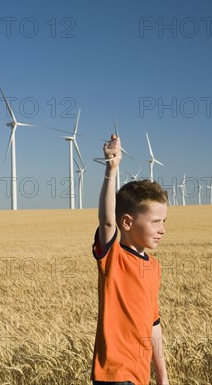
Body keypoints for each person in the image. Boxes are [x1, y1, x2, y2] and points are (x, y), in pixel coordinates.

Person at [91, 134, 169, 385]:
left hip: (139, 377)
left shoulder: (154, 268)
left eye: (164, 221)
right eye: (155, 222)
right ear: (126, 222)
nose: (162, 229)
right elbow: (106, 220)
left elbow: (153, 325)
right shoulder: (113, 257)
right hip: (114, 375)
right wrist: (111, 169)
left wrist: (163, 378)